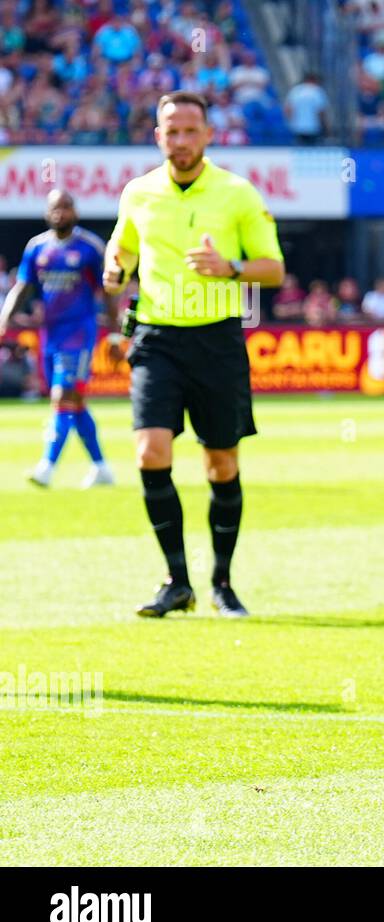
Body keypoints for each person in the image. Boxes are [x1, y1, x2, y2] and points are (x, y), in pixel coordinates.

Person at [103, 91, 285, 618]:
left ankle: (223, 584)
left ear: (208, 135)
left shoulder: (237, 193)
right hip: (157, 338)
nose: (180, 141)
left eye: (190, 131)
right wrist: (117, 269)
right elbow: (124, 248)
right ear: (158, 136)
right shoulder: (138, 193)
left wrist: (228, 267)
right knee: (150, 453)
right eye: (170, 131)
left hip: (217, 341)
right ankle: (176, 581)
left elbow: (272, 269)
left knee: (221, 463)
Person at [0, 190, 116, 489]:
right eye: (55, 208)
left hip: (79, 334)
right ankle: (101, 468)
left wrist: (115, 334)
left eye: (66, 207)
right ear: (46, 213)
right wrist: (3, 320)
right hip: (49, 336)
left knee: (61, 397)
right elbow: (23, 287)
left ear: (75, 212)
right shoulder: (37, 248)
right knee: (74, 403)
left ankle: (46, 467)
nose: (60, 213)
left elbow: (108, 291)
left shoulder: (89, 247)